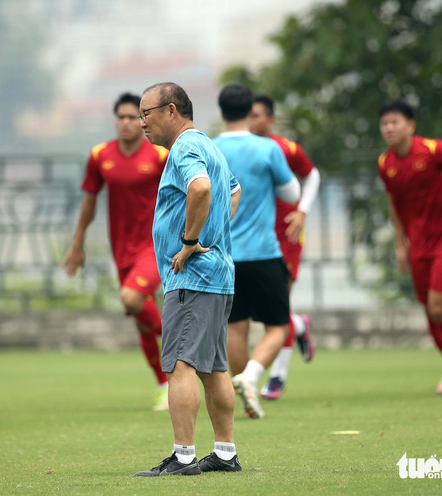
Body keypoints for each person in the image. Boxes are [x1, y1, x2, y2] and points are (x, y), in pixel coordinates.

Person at [134, 82, 242, 476]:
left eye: (146, 114)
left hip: (192, 277)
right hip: (217, 274)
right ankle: (225, 453)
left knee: (180, 366)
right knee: (213, 368)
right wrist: (213, 236)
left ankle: (182, 458)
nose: (142, 123)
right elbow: (234, 190)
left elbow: (201, 187)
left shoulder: (185, 147)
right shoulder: (210, 145)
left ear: (171, 110)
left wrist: (191, 242)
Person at [62, 92, 170, 411]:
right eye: (120, 117)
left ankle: (186, 341)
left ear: (143, 120)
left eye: (132, 117)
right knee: (141, 321)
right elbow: (90, 202)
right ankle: (165, 384)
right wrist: (78, 243)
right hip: (121, 250)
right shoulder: (100, 156)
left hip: (155, 245)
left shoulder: (160, 156)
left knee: (131, 298)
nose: (125, 122)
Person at [378, 100, 442, 395]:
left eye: (395, 122)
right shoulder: (386, 163)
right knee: (429, 310)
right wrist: (401, 244)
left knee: (438, 307)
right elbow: (394, 204)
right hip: (419, 245)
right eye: (385, 124)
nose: (389, 128)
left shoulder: (436, 150)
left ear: (411, 125)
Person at [214, 85, 300, 419]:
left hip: (226, 256)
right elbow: (292, 193)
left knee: (236, 328)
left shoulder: (210, 148)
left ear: (221, 113)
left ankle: (242, 392)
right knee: (278, 326)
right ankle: (250, 377)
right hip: (264, 253)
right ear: (252, 111)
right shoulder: (267, 148)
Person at [249, 94, 320, 400]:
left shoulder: (285, 148)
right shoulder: (240, 149)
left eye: (257, 115)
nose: (252, 121)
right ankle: (300, 326)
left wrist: (302, 210)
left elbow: (312, 174)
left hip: (286, 237)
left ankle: (277, 376)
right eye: (248, 115)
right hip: (253, 238)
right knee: (259, 307)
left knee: (276, 307)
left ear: (270, 119)